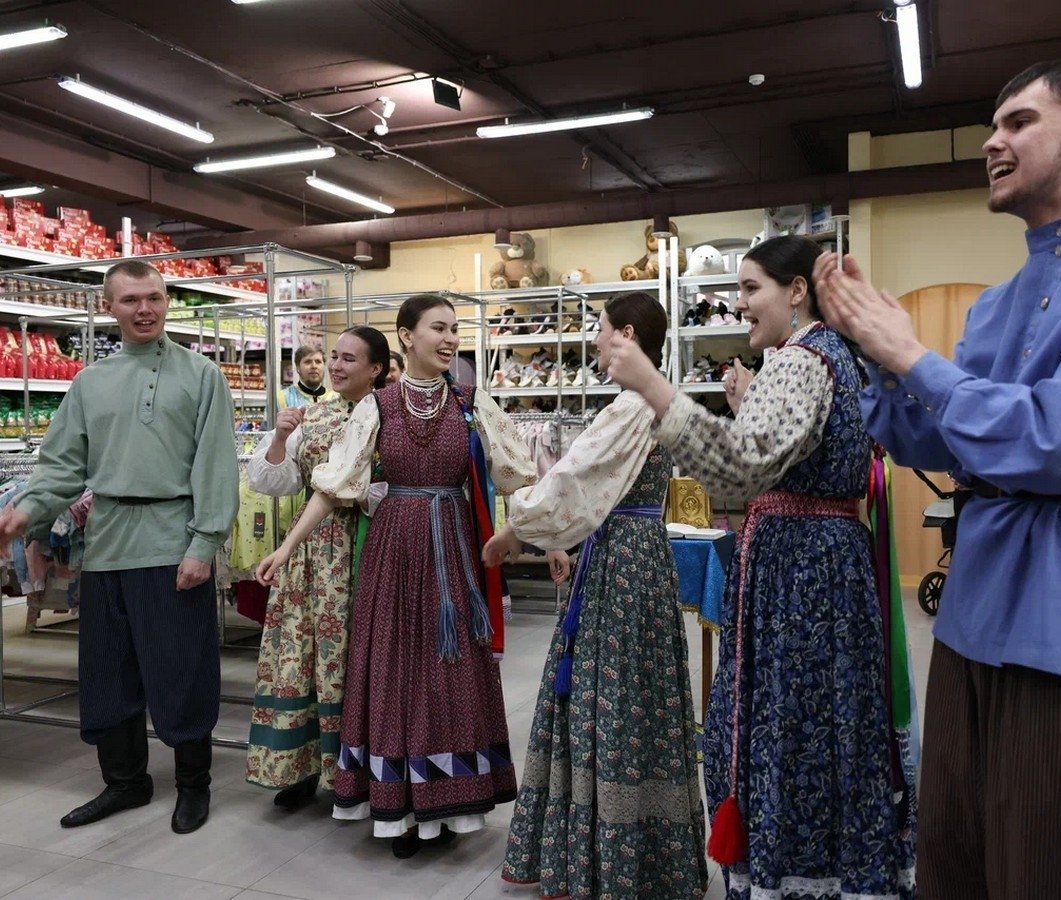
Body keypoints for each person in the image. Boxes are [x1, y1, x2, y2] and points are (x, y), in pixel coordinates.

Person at [814, 56, 1061, 898]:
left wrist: (913, 353)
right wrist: (872, 352)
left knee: (1057, 862)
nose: (992, 141)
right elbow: (940, 442)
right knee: (955, 856)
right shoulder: (997, 303)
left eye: (1019, 121)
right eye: (995, 125)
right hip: (976, 608)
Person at [607, 236, 916, 899]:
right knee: (822, 720)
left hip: (800, 573)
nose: (740, 303)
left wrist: (655, 387)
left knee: (791, 723)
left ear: (797, 291)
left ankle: (793, 873)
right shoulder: (825, 357)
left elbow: (742, 467)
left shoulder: (804, 360)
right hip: (813, 563)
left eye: (752, 288)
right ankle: (834, 868)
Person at [255, 294, 536, 858]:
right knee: (395, 671)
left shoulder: (473, 403)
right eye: (438, 327)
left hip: (451, 550)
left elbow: (518, 477)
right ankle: (403, 808)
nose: (450, 336)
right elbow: (334, 486)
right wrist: (285, 548)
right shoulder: (377, 406)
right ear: (407, 337)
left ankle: (449, 804)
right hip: (392, 550)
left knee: (447, 669)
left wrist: (541, 536)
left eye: (455, 328)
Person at [483, 292, 709, 899]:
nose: (594, 339)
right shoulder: (655, 401)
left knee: (607, 694)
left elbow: (572, 479)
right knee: (638, 692)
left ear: (626, 334)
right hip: (640, 554)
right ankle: (649, 853)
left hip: (620, 562)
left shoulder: (631, 407)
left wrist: (515, 528)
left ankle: (606, 858)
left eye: (601, 329)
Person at [0, 259, 238, 835]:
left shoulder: (202, 375)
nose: (145, 309)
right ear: (110, 306)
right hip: (105, 548)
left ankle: (193, 786)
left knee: (181, 670)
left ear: (167, 301)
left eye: (154, 297)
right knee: (108, 673)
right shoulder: (90, 383)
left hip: (173, 544)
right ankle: (125, 783)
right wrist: (28, 514)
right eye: (130, 300)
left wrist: (204, 543)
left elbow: (215, 466)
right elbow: (60, 467)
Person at [245, 326, 390, 810]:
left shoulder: (389, 413)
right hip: (310, 551)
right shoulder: (315, 413)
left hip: (368, 545)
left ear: (376, 368)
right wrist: (282, 437)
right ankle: (300, 769)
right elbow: (275, 481)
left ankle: (357, 774)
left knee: (354, 657)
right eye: (334, 356)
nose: (336, 366)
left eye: (350, 359)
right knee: (300, 655)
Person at [278, 344, 326, 409]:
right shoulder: (282, 398)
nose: (314, 366)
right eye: (308, 362)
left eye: (318, 362)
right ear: (298, 368)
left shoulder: (337, 398)